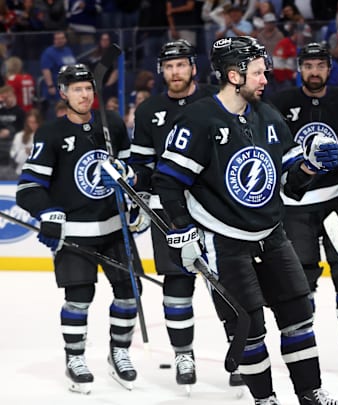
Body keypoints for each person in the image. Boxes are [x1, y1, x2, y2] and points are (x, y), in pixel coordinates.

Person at [151, 36, 338, 405]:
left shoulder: (268, 115)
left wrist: (310, 165)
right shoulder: (198, 119)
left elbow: (290, 179)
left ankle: (310, 393)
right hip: (223, 241)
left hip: (272, 234)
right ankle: (265, 400)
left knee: (299, 315)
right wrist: (182, 230)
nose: (267, 79)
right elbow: (168, 180)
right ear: (234, 75)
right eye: (259, 72)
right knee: (248, 328)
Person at [15, 64, 142, 394]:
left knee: (130, 295)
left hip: (115, 229)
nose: (84, 94)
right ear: (63, 93)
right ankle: (76, 358)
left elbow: (134, 170)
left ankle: (120, 353)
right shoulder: (51, 133)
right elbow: (29, 187)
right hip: (76, 233)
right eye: (77, 89)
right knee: (79, 299)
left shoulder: (112, 124)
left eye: (88, 88)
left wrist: (129, 182)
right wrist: (49, 213)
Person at [269, 42, 338, 377]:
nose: (314, 72)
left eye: (320, 65)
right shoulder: (281, 103)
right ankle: (304, 344)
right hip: (296, 207)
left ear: (330, 68)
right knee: (301, 280)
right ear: (300, 68)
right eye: (308, 65)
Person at [129, 39, 221, 391]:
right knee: (177, 283)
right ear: (161, 71)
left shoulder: (214, 98)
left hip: (215, 207)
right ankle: (183, 354)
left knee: (226, 282)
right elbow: (141, 163)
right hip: (167, 209)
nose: (175, 72)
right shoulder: (149, 109)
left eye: (181, 65)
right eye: (169, 67)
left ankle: (241, 349)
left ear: (193, 67)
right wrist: (131, 176)